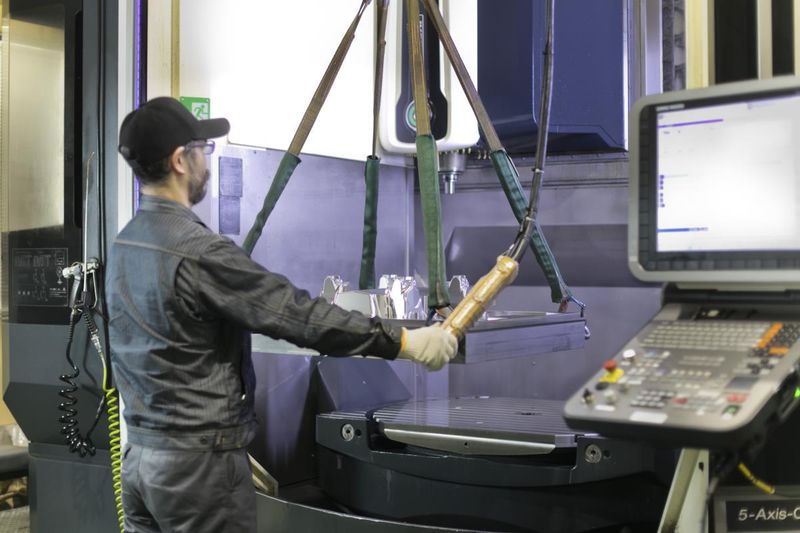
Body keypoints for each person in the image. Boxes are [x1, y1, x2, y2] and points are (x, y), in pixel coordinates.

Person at [108, 96, 458, 533]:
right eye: (203, 150)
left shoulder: (125, 243)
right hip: (197, 469)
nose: (207, 162)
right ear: (180, 160)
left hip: (140, 463)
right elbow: (298, 316)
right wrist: (405, 342)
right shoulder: (199, 252)